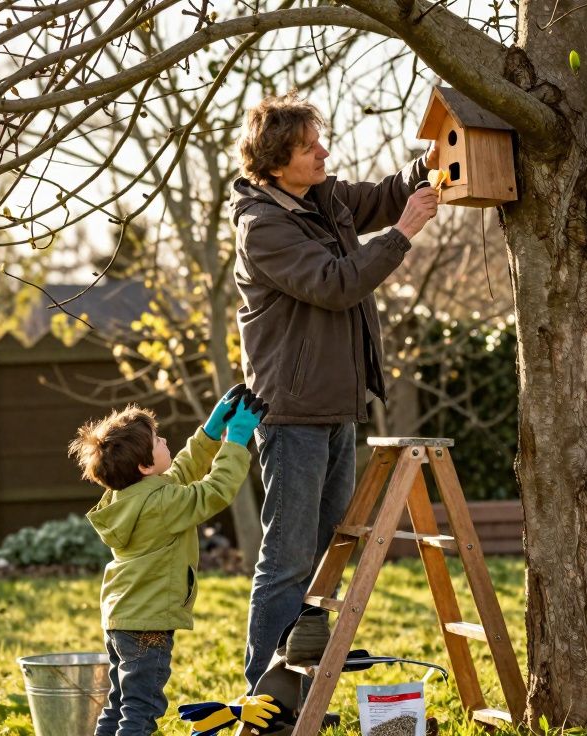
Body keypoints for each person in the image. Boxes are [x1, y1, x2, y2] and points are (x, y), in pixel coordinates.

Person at [231, 92, 441, 687]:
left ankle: (304, 677)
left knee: (328, 554)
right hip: (291, 414)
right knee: (290, 559)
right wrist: (402, 234)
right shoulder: (263, 226)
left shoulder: (322, 199)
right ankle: (263, 694)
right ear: (275, 163)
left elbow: (378, 195)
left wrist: (430, 166)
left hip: (337, 408)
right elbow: (334, 283)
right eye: (308, 147)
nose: (323, 151)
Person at [72, 386, 268, 736]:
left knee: (119, 704)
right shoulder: (162, 503)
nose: (164, 442)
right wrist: (236, 441)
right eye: (158, 441)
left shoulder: (128, 495)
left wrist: (209, 433)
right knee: (141, 710)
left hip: (121, 620)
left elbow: (179, 473)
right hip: (148, 625)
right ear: (145, 465)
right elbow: (214, 491)